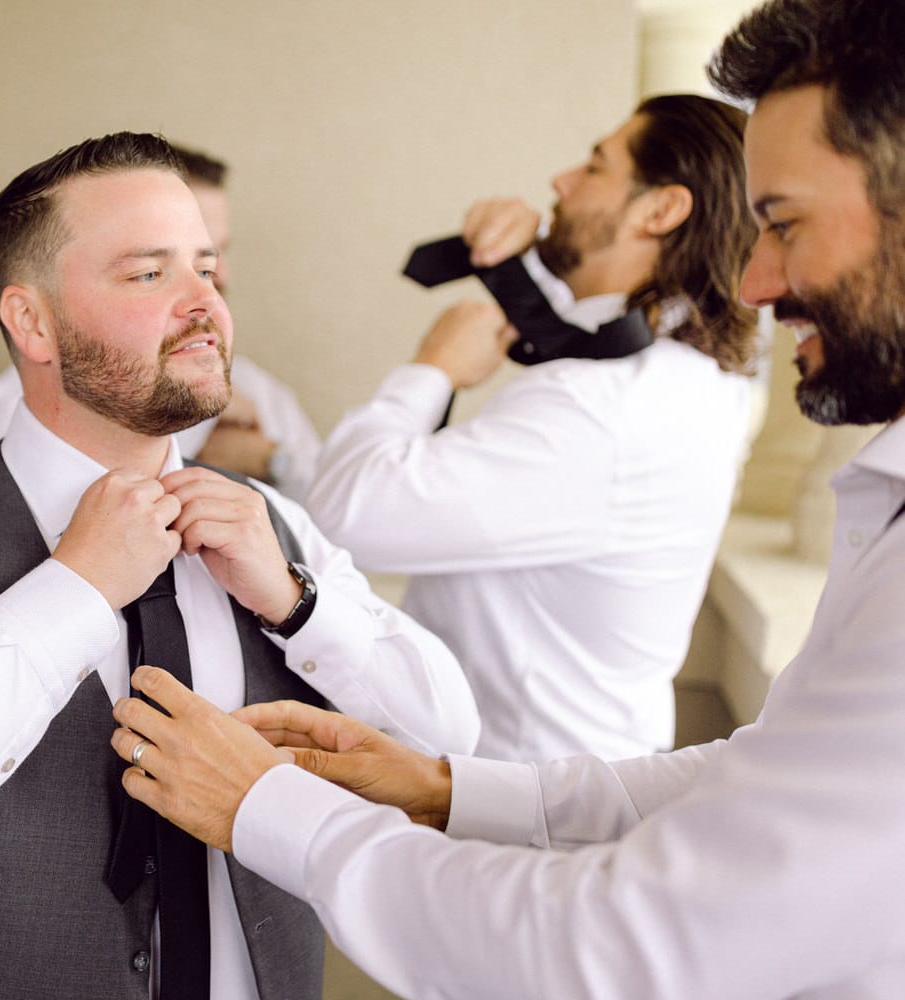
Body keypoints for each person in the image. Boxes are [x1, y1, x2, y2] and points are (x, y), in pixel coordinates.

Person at [109, 3, 905, 995]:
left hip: (548, 879)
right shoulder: (681, 384)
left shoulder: (608, 414)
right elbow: (768, 771)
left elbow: (361, 505)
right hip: (548, 794)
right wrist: (443, 789)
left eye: (784, 220)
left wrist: (264, 803)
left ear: (661, 209)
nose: (758, 280)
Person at [0, 131, 479, 1000]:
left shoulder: (275, 527)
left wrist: (300, 606)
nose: (203, 304)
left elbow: (448, 740)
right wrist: (73, 588)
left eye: (208, 270)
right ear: (31, 321)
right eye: (150, 274)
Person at [307, 94, 759, 762]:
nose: (561, 181)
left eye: (595, 166)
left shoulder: (598, 411)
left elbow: (343, 514)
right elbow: (585, 341)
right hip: (579, 775)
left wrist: (432, 371)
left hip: (522, 808)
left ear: (661, 209)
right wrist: (519, 267)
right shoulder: (694, 378)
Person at [0, 142, 323, 499]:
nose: (213, 290)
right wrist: (203, 439)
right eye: (150, 273)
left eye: (205, 265)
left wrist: (272, 462)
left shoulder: (254, 391)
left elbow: (316, 495)